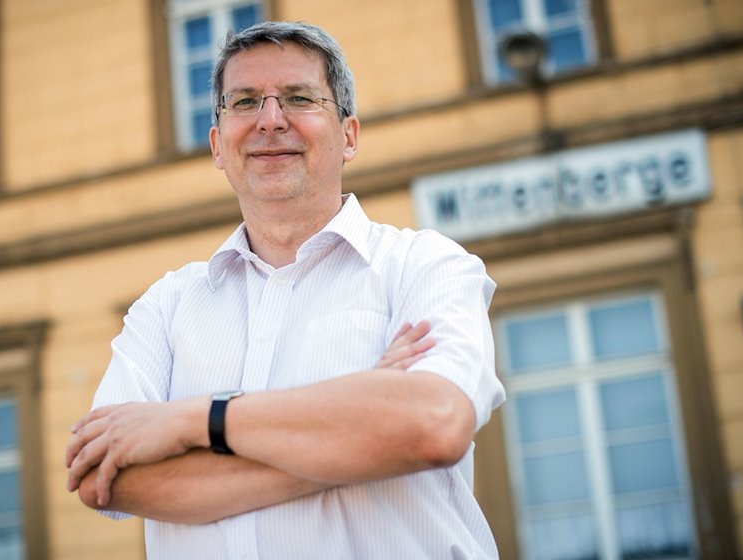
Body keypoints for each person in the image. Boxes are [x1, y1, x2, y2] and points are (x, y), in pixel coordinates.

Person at [65, 20, 506, 559]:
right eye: (245, 102)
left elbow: (435, 426)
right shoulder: (165, 306)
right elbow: (102, 478)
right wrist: (363, 430)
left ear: (348, 135)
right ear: (218, 145)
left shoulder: (425, 266)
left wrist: (194, 421)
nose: (270, 121)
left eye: (298, 98)